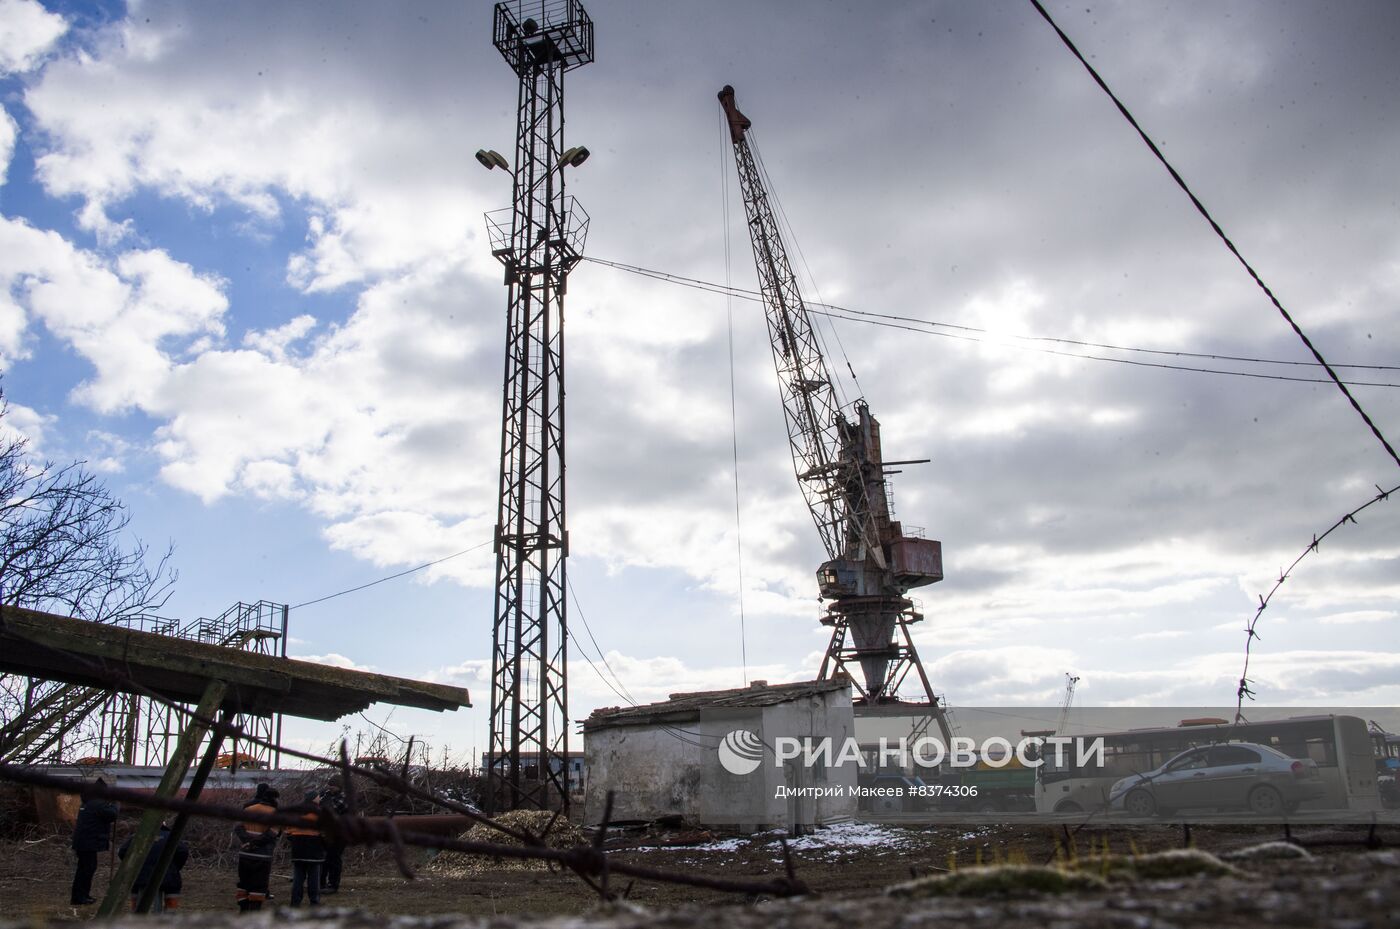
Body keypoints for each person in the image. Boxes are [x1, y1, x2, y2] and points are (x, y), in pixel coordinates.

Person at [118, 821, 188, 912]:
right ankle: (169, 916)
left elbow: (122, 852)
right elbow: (183, 852)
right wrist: (174, 868)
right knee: (172, 892)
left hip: (140, 877)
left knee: (136, 890)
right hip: (168, 878)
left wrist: (133, 865)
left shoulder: (138, 836)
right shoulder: (172, 836)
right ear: (164, 824)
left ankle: (136, 914)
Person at [70, 780, 118, 906]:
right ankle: (80, 897)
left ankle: (81, 896)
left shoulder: (88, 802)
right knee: (86, 870)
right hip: (88, 842)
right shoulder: (97, 804)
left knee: (84, 869)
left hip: (84, 842)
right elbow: (112, 815)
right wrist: (115, 804)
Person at [234, 783, 279, 912]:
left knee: (244, 883)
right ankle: (254, 912)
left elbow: (238, 827)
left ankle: (243, 908)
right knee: (259, 885)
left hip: (245, 854)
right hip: (262, 856)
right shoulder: (275, 814)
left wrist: (247, 842)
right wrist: (255, 843)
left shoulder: (248, 809)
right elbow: (272, 834)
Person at [286, 790, 325, 907]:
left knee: (298, 877)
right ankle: (314, 901)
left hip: (298, 846)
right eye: (318, 797)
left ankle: (295, 902)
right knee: (314, 877)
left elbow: (288, 831)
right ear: (314, 799)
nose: (320, 799)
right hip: (314, 846)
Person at [319, 784, 347, 894]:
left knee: (334, 858)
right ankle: (321, 882)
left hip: (339, 833)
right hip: (326, 832)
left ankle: (333, 884)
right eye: (329, 785)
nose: (330, 787)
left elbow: (332, 810)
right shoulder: (325, 796)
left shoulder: (344, 798)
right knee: (324, 859)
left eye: (333, 785)